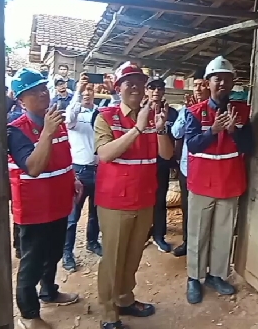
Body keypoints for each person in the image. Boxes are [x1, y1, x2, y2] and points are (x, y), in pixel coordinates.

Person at [93, 61, 174, 329]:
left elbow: (166, 155)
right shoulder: (106, 116)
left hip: (144, 198)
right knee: (113, 258)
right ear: (118, 88)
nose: (136, 87)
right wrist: (137, 128)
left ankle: (125, 299)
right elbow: (105, 154)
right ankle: (108, 313)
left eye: (140, 82)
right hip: (115, 202)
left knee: (133, 256)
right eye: (129, 82)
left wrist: (160, 128)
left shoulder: (153, 118)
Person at [7, 68, 80, 329]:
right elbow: (33, 167)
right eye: (33, 92)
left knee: (54, 253)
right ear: (20, 100)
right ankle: (29, 314)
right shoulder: (15, 131)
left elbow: (62, 157)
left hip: (60, 202)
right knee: (32, 263)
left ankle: (49, 290)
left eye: (44, 89)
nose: (42, 94)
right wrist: (47, 132)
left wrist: (73, 179)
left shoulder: (55, 122)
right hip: (34, 209)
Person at [183, 55, 255, 304]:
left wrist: (235, 131)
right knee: (198, 233)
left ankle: (217, 275)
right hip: (202, 184)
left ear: (233, 82)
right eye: (217, 78)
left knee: (223, 233)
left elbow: (251, 147)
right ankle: (194, 277)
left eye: (227, 79)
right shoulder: (195, 112)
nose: (222, 83)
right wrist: (213, 131)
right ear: (207, 83)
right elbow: (192, 145)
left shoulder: (243, 112)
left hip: (230, 182)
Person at [62, 73, 104, 273]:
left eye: (90, 89)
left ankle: (92, 242)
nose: (87, 93)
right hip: (78, 171)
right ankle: (67, 252)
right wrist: (77, 92)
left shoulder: (100, 114)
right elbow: (69, 118)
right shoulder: (74, 113)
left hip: (98, 170)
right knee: (72, 216)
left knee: (95, 213)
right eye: (84, 90)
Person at [170, 68, 209, 257]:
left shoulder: (213, 109)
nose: (199, 89)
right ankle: (187, 242)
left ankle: (204, 246)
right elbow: (176, 133)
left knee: (205, 210)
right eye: (196, 85)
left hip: (208, 168)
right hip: (188, 167)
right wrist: (188, 112)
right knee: (187, 207)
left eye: (202, 85)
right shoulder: (185, 110)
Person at [144, 77, 178, 253]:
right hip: (141, 165)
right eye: (152, 88)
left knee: (159, 200)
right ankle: (141, 233)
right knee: (141, 200)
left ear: (164, 92)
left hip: (162, 163)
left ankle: (159, 235)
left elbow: (177, 138)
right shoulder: (140, 112)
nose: (156, 91)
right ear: (146, 91)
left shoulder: (172, 113)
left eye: (159, 88)